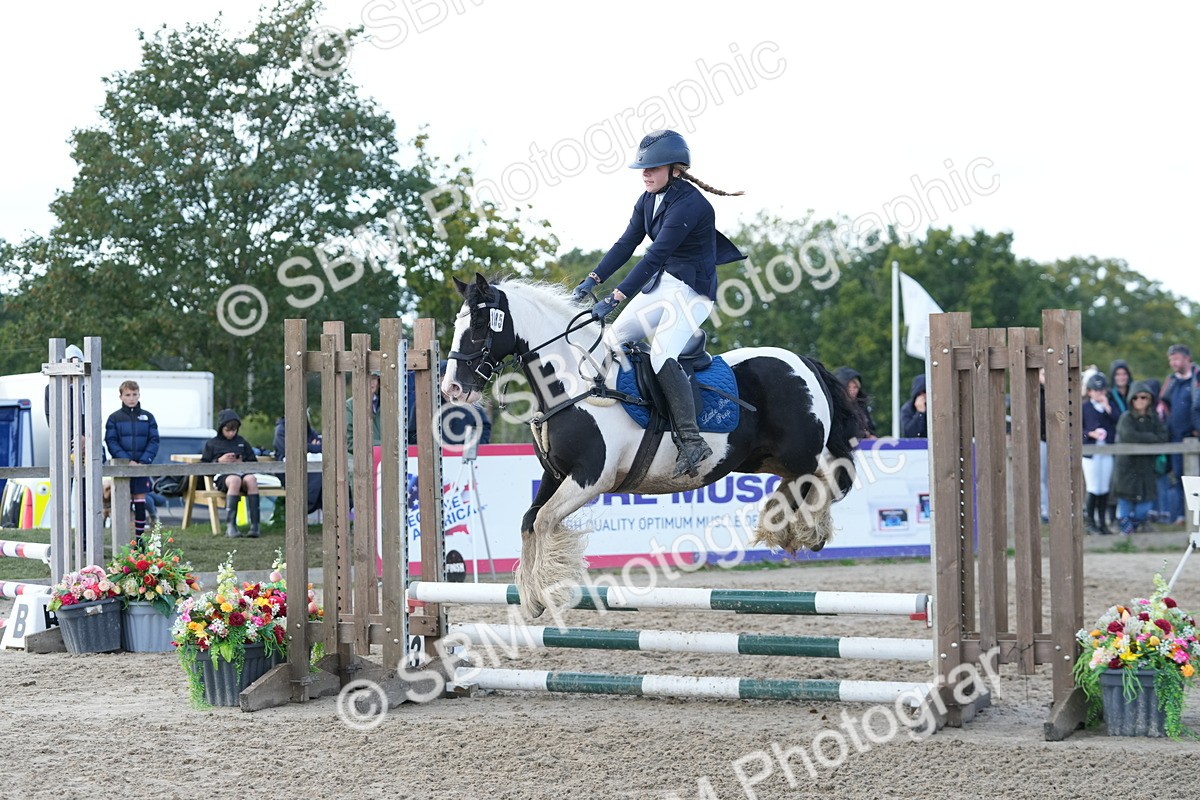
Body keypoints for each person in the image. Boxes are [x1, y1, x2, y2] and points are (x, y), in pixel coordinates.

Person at [572, 129, 745, 479]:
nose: (645, 174)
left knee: (661, 353)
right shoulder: (646, 200)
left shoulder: (691, 204)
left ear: (675, 169)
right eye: (643, 168)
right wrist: (592, 280)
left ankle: (692, 440)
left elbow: (654, 256)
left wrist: (615, 297)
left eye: (652, 168)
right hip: (663, 285)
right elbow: (625, 245)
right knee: (611, 341)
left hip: (693, 293)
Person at [104, 380, 160, 545]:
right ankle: (122, 540)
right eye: (128, 395)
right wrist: (126, 461)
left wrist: (144, 461)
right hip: (122, 468)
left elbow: (154, 440)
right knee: (123, 502)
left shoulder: (148, 417)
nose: (131, 398)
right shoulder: (114, 418)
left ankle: (140, 541)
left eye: (134, 394)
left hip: (141, 467)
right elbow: (111, 441)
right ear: (120, 396)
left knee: (140, 501)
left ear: (139, 395)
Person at [1112, 382, 1168, 535]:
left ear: (1149, 399)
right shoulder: (1126, 418)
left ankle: (1134, 529)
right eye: (1136, 397)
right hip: (1127, 467)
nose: (1140, 400)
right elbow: (1129, 435)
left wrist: (1146, 439)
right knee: (1125, 502)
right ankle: (1126, 538)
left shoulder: (1154, 418)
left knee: (1144, 506)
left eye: (1144, 397)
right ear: (1131, 400)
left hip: (1146, 467)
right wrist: (1151, 438)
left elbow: (1163, 436)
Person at [201, 409, 260, 538]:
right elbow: (203, 466)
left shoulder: (242, 442)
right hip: (222, 476)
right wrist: (218, 461)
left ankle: (255, 526)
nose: (231, 433)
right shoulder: (212, 444)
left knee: (251, 479)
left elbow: (253, 462)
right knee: (235, 480)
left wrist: (242, 462)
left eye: (234, 430)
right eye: (228, 430)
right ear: (222, 428)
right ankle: (231, 526)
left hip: (242, 472)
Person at [1161, 343, 1198, 524]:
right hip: (1175, 438)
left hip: (1195, 437)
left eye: (1176, 358)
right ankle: (1181, 516)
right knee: (1179, 477)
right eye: (1171, 360)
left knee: (1196, 478)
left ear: (1186, 358)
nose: (1173, 363)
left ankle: (1195, 517)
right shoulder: (1171, 381)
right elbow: (1163, 404)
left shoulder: (1197, 378)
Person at [1081, 373, 1120, 534]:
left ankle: (1103, 523)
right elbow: (1078, 428)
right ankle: (1091, 523)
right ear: (1089, 391)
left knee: (1104, 487)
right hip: (1090, 453)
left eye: (1101, 390)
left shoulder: (1109, 406)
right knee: (1093, 486)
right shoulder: (1084, 407)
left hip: (1106, 451)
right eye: (1095, 391)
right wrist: (1090, 433)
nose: (1099, 393)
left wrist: (1107, 407)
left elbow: (1118, 420)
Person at [274, 414, 323, 514]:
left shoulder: (307, 428)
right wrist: (310, 447)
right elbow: (289, 450)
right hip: (288, 470)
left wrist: (305, 447)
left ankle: (309, 503)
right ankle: (307, 503)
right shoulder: (281, 430)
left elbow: (320, 446)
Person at [834, 367, 878, 439]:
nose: (852, 390)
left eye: (855, 387)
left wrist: (871, 436)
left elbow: (870, 427)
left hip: (861, 443)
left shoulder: (861, 406)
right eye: (848, 387)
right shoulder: (836, 408)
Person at [899, 374, 927, 438]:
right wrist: (920, 413)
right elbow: (909, 435)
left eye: (925, 392)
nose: (923, 396)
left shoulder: (937, 408)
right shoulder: (907, 409)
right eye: (920, 393)